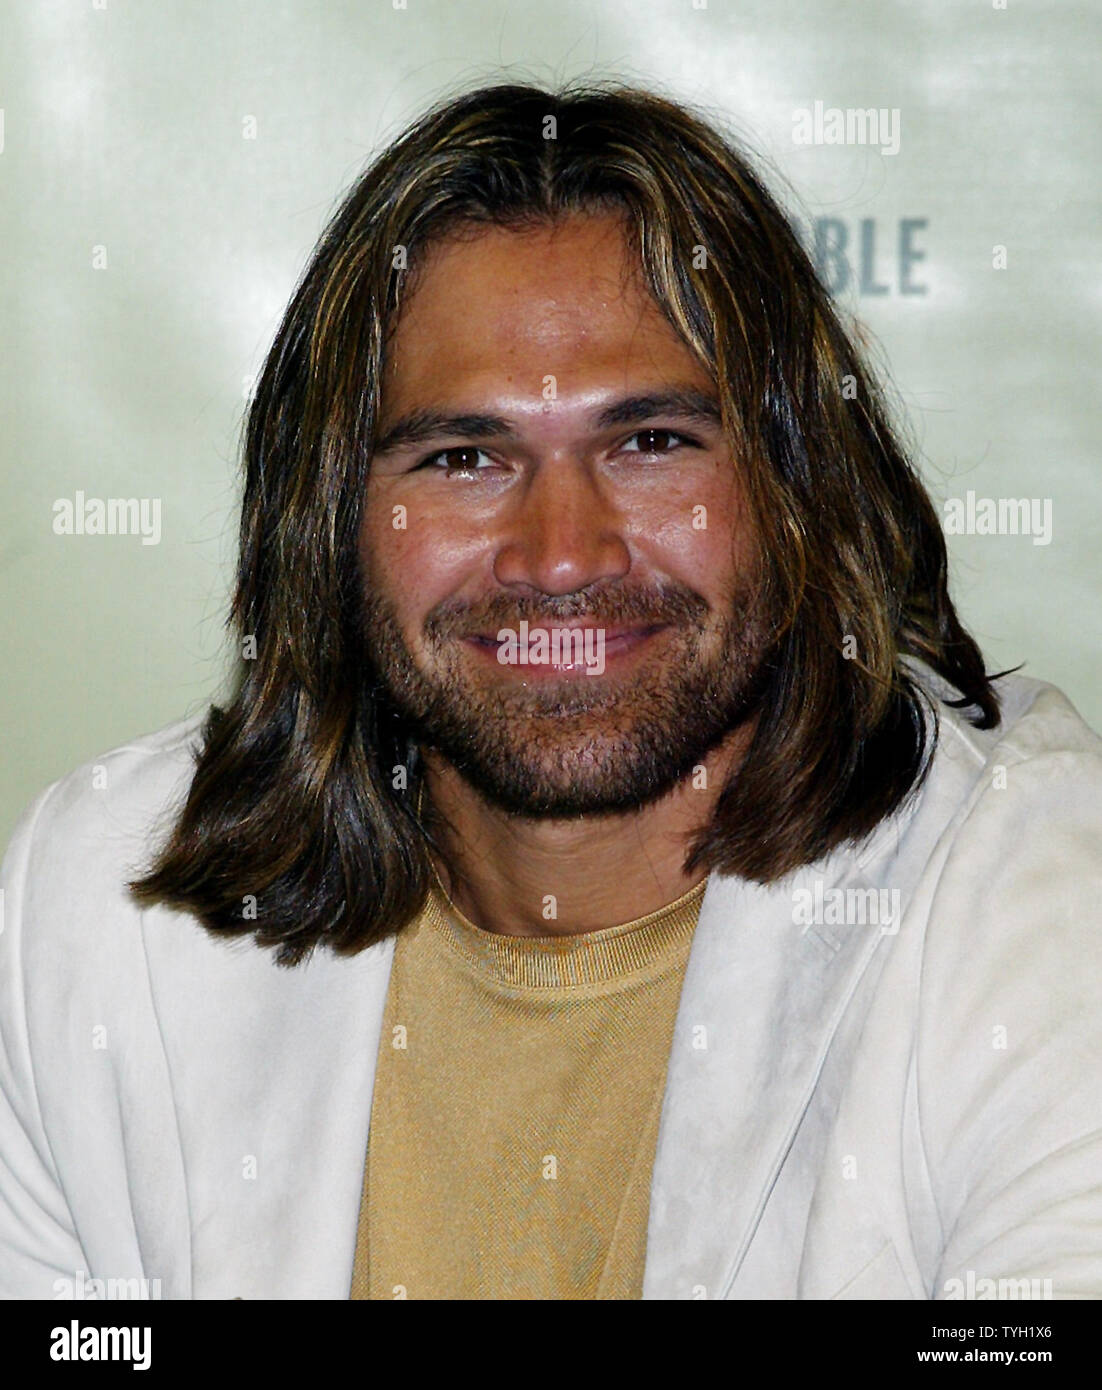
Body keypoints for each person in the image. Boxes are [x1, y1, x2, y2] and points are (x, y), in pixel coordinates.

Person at [2, 81, 1100, 1302]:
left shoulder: (1045, 903)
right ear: (332, 522)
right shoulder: (97, 914)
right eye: (464, 457)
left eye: (650, 443)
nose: (562, 554)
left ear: (796, 481)